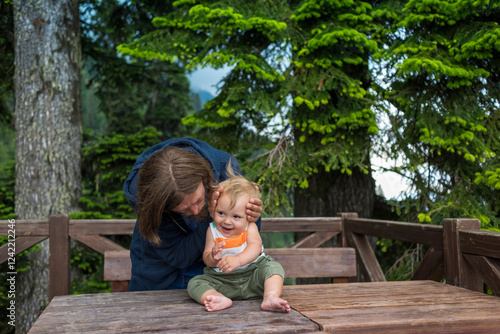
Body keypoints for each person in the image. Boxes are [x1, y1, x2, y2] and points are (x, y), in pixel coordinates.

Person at [123, 138, 263, 291]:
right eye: (184, 209)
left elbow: (244, 236)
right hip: (161, 278)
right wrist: (211, 219)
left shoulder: (225, 169)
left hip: (219, 274)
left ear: (204, 178)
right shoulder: (150, 197)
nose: (196, 210)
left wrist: (252, 215)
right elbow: (178, 256)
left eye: (199, 200)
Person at [187, 165, 290, 313]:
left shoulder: (250, 226)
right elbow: (206, 258)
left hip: (252, 276)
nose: (227, 221)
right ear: (214, 209)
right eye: (221, 213)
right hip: (223, 281)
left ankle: (270, 296)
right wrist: (213, 257)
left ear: (248, 215)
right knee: (195, 283)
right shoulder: (213, 230)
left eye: (236, 216)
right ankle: (217, 297)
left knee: (273, 268)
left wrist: (238, 260)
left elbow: (255, 246)